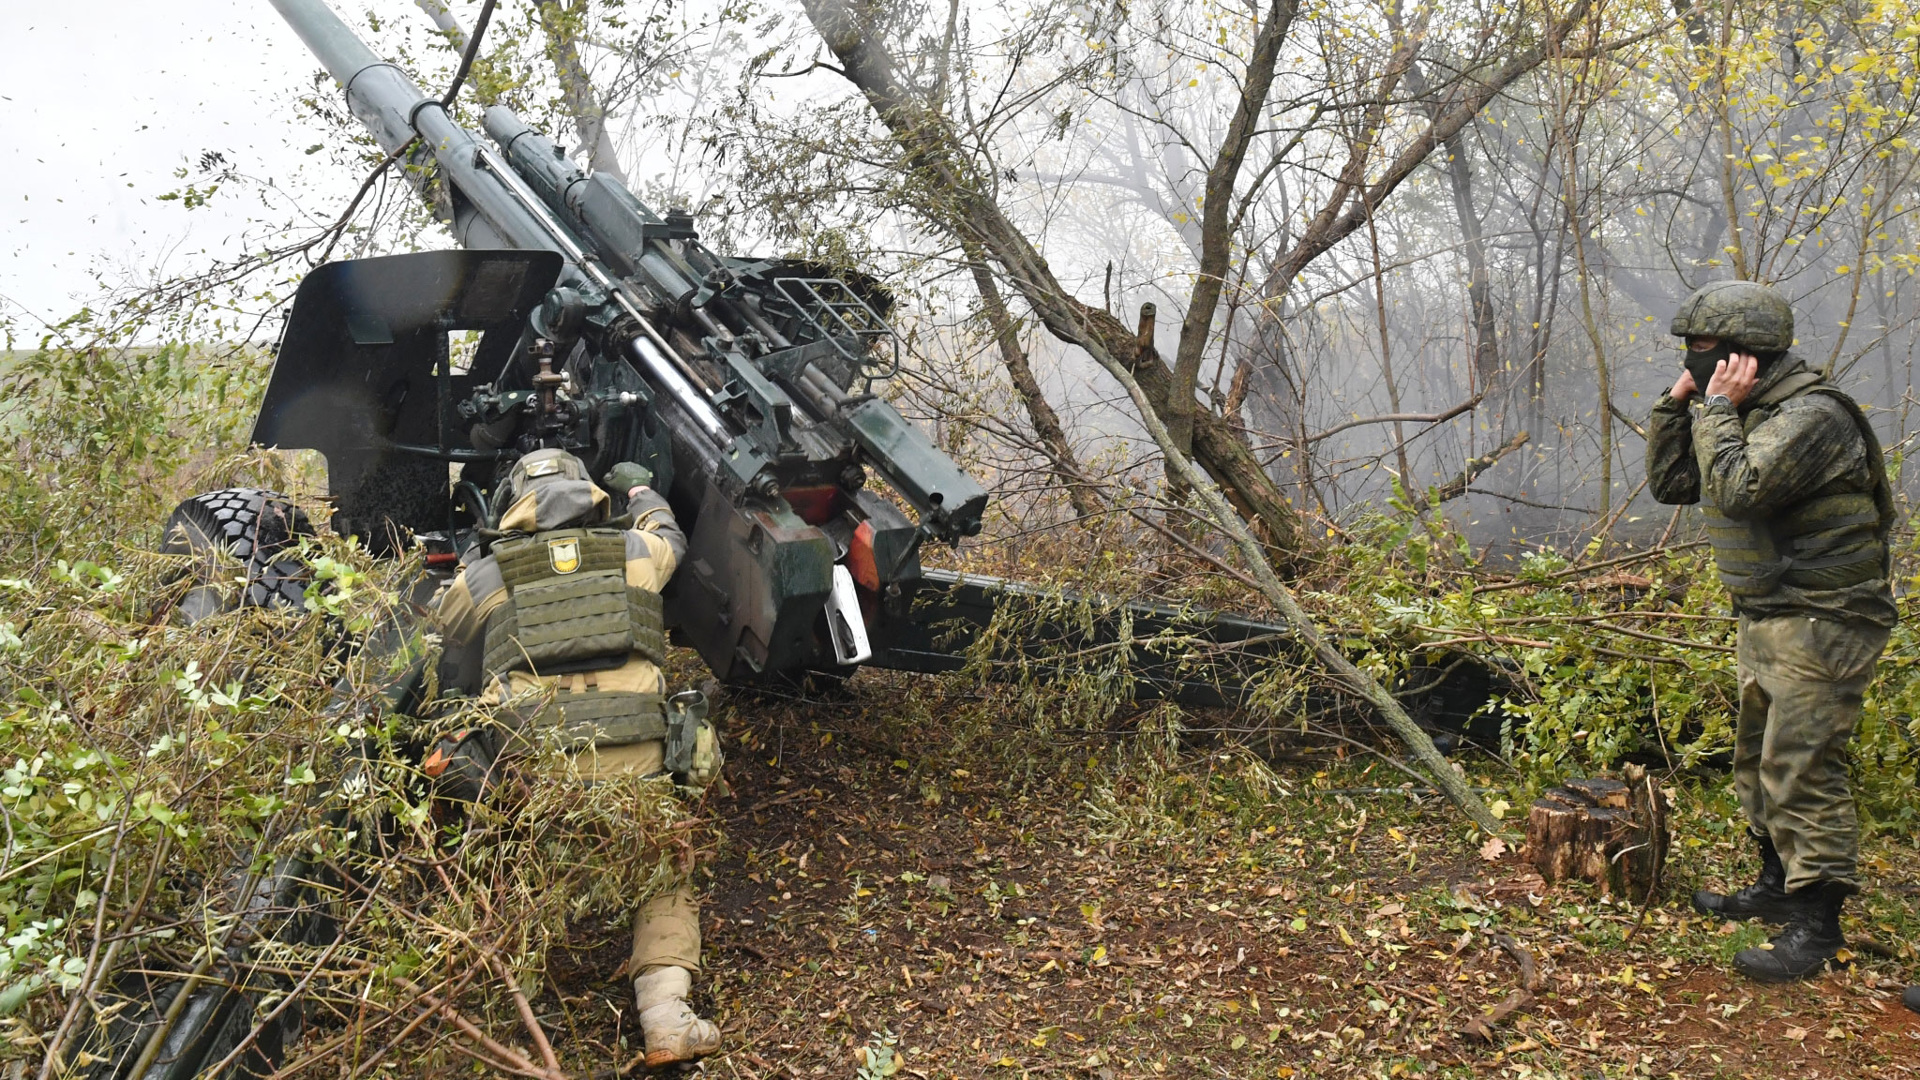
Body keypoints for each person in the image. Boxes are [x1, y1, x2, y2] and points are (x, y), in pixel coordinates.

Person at [429, 448, 722, 1066]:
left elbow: (446, 625)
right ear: (586, 491)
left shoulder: (489, 575)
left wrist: (486, 556)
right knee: (662, 868)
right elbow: (670, 538)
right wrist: (641, 494)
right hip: (637, 771)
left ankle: (513, 1015)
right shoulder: (633, 555)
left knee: (509, 859)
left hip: (535, 779)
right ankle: (666, 1015)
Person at [1647, 280, 1896, 984]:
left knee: (1802, 770)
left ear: (1745, 354)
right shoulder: (1741, 410)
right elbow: (1675, 483)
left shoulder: (1812, 416)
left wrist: (1718, 408)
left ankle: (1816, 928)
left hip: (1827, 619)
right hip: (1770, 615)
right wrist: (1679, 405)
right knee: (1758, 764)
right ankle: (1778, 886)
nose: (1695, 360)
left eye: (1702, 350)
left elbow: (1736, 490)